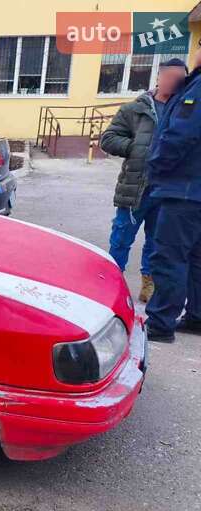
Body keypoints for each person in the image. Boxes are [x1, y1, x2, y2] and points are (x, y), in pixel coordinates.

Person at [101, 58, 188, 303]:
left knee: (156, 241)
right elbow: (108, 139)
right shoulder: (135, 109)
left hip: (167, 189)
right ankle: (112, 282)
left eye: (180, 79)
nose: (174, 83)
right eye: (169, 77)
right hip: (136, 187)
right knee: (121, 237)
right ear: (159, 77)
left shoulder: (185, 110)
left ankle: (148, 285)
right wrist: (136, 148)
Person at [145, 43, 201, 343]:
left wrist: (155, 167)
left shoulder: (197, 88)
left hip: (185, 190)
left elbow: (181, 135)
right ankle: (196, 316)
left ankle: (161, 322)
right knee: (195, 258)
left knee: (169, 256)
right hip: (194, 190)